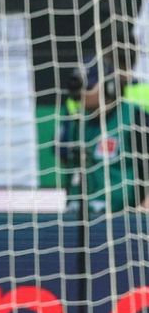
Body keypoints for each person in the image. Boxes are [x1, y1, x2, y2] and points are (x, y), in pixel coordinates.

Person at [58, 57, 149, 218]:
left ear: (110, 87)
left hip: (123, 221)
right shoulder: (76, 122)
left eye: (89, 86)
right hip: (79, 216)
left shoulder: (134, 118)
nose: (80, 92)